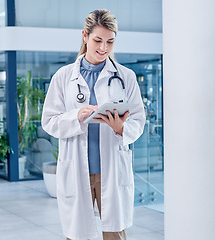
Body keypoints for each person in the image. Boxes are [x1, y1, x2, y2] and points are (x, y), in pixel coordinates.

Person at [41, 9, 145, 240]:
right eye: (98, 40)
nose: (103, 48)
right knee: (77, 234)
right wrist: (75, 117)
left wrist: (121, 128)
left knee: (115, 233)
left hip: (112, 167)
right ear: (85, 36)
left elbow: (138, 119)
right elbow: (49, 121)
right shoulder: (63, 77)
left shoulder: (125, 77)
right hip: (77, 168)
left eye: (110, 42)